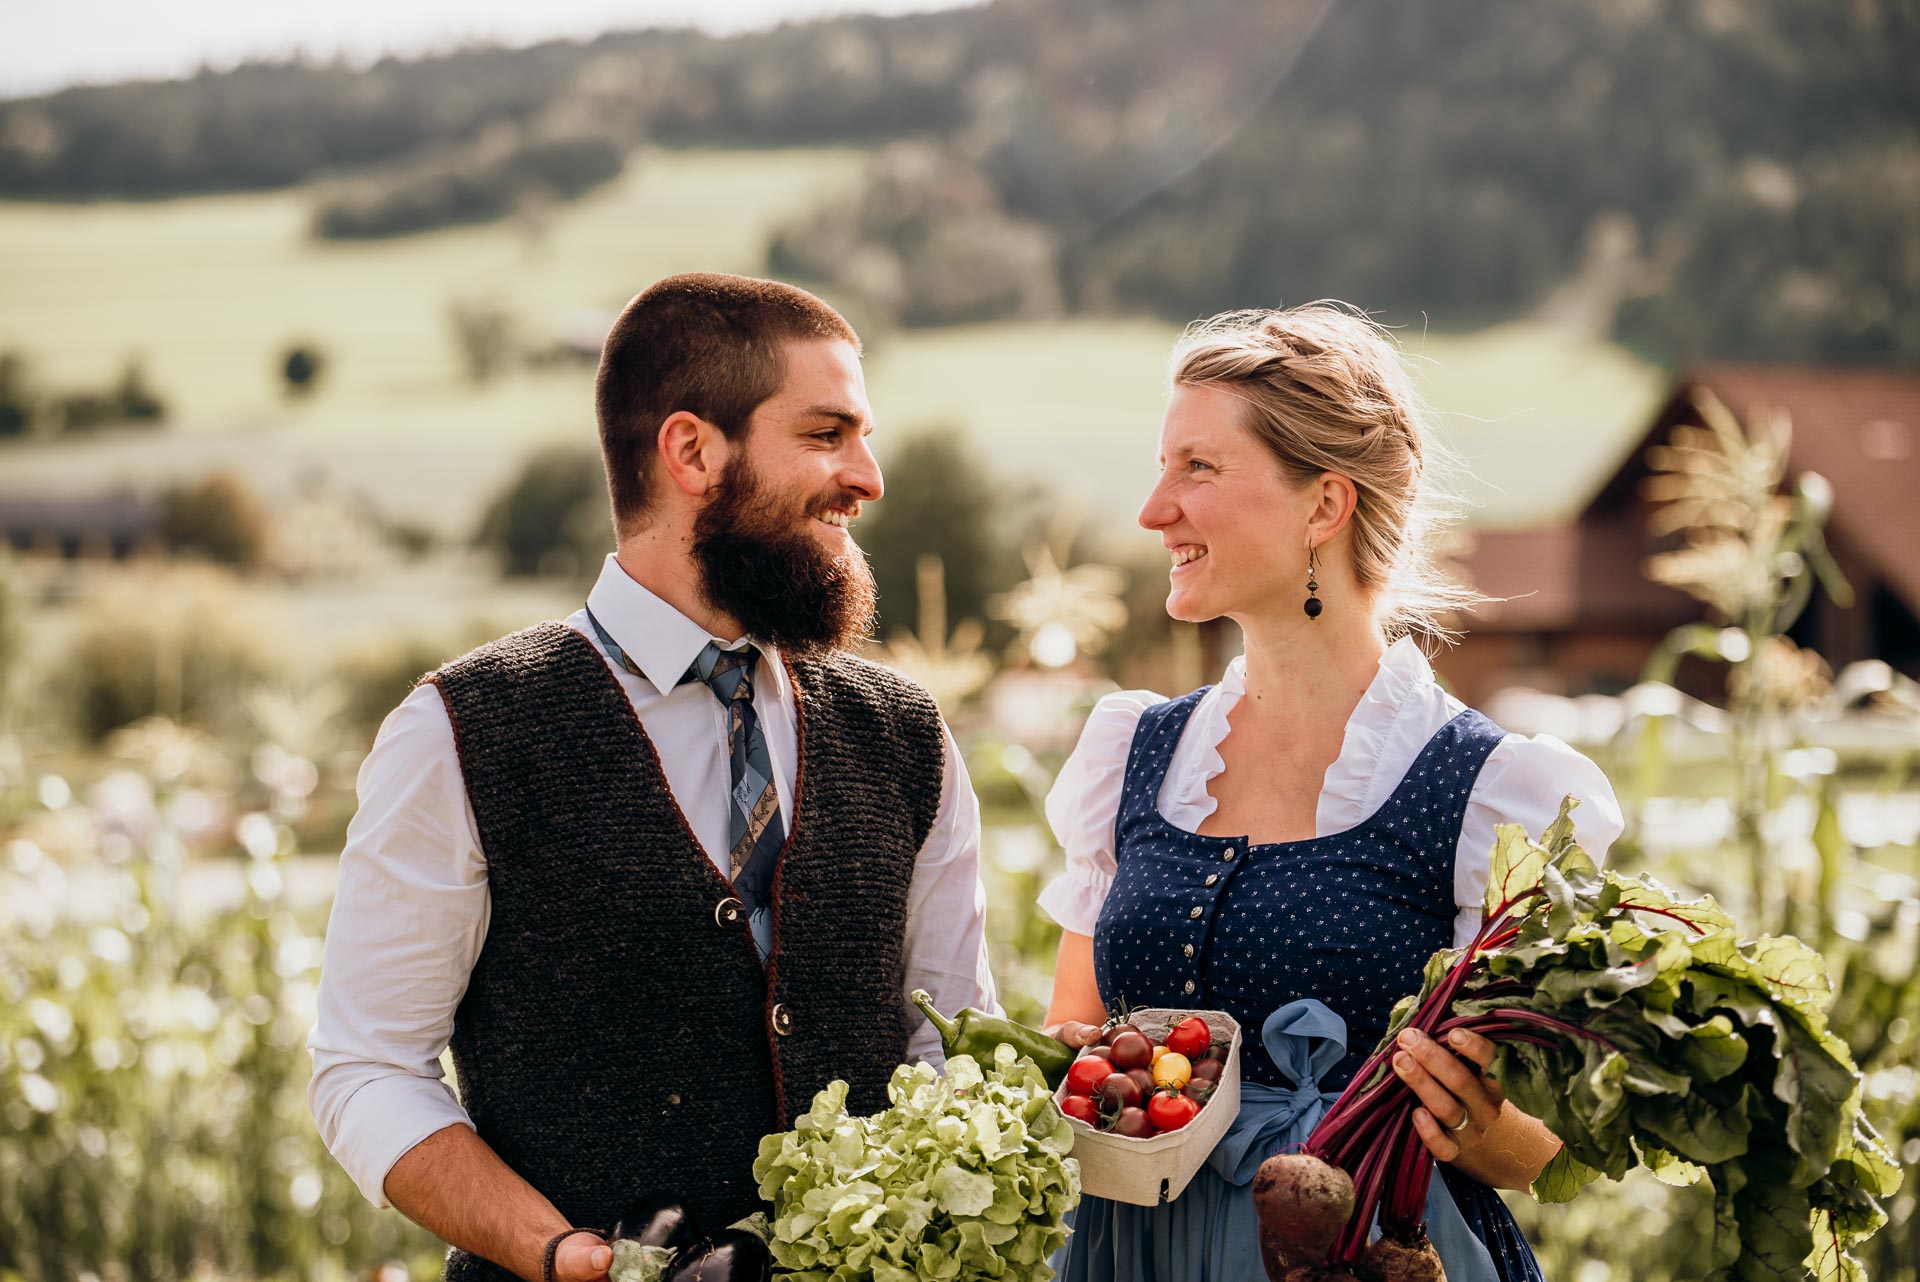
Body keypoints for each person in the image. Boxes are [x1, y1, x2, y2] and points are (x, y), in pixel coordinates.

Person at [306, 273, 998, 1282]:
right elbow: (367, 1068)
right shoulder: (461, 730)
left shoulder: (905, 735)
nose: (868, 476)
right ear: (692, 451)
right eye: (827, 433)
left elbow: (945, 1042)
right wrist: (555, 1252)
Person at [1039, 303, 1624, 1282]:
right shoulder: (1131, 752)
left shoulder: (1493, 794)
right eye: (1161, 466)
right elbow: (1075, 1026)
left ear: (1324, 505)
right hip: (1133, 1252)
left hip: (1375, 1254)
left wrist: (1471, 1121)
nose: (1153, 509)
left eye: (1198, 468)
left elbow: (1549, 1146)